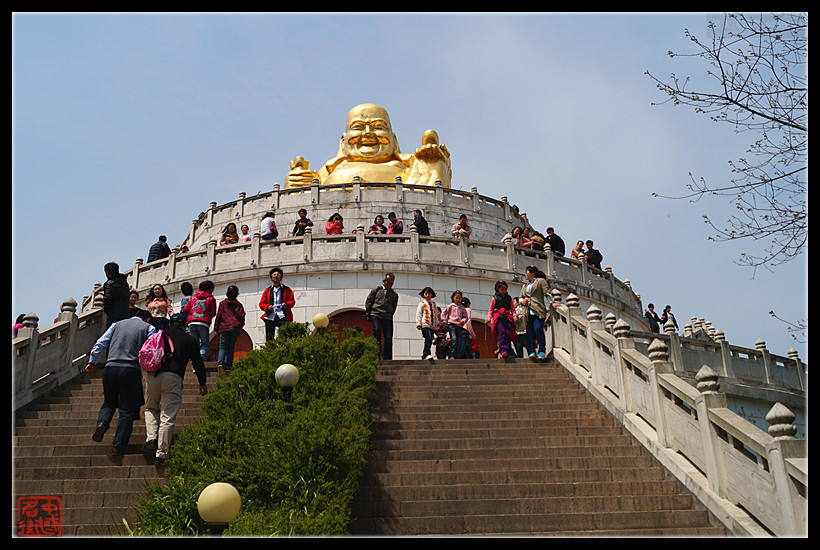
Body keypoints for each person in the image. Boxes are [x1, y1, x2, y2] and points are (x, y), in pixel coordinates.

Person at [85, 310, 156, 455]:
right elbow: (150, 350)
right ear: (147, 319)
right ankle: (118, 446)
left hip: (110, 368)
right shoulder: (149, 328)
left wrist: (92, 361)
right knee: (126, 410)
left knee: (109, 402)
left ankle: (102, 423)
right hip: (130, 369)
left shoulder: (117, 324)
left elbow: (101, 342)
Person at [142, 313, 208, 466]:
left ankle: (151, 438)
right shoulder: (189, 339)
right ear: (185, 325)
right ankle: (161, 454)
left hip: (153, 376)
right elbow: (197, 362)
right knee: (167, 416)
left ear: (170, 324)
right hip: (173, 378)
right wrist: (202, 382)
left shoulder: (160, 334)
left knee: (150, 408)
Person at [364, 273, 399, 360]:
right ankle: (377, 354)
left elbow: (394, 307)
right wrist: (369, 313)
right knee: (377, 331)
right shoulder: (376, 291)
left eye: (392, 283)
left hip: (387, 316)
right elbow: (369, 302)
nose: (390, 285)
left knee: (388, 337)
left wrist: (390, 313)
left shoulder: (394, 295)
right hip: (376, 314)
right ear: (384, 281)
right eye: (389, 282)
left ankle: (387, 357)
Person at [519, 266, 551, 359]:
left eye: (527, 272)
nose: (525, 275)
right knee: (530, 332)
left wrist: (552, 302)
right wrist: (522, 301)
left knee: (538, 329)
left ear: (532, 273)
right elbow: (520, 297)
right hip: (527, 312)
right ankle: (532, 351)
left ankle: (541, 350)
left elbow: (546, 292)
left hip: (538, 310)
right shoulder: (525, 286)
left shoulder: (540, 281)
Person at [213, 285, 246, 377]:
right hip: (234, 328)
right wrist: (240, 326)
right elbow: (241, 316)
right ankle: (228, 366)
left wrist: (216, 328)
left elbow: (219, 316)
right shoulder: (239, 305)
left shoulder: (223, 303)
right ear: (237, 294)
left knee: (223, 347)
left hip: (224, 327)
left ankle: (220, 363)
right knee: (231, 348)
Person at [259, 267, 295, 341]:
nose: (276, 276)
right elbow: (262, 303)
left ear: (281, 277)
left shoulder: (287, 290)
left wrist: (286, 305)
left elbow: (292, 301)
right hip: (270, 316)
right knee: (269, 338)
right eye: (274, 274)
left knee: (285, 336)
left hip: (282, 315)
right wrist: (267, 307)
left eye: (278, 274)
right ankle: (269, 351)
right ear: (271, 277)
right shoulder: (267, 291)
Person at [184, 280, 217, 359]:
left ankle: (194, 366)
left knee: (195, 345)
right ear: (210, 289)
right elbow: (213, 312)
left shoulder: (193, 297)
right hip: (203, 323)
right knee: (205, 344)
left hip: (192, 323)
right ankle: (200, 361)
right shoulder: (211, 299)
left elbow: (185, 309)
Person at [488, 280, 516, 359]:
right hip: (499, 317)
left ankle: (508, 351)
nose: (504, 291)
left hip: (506, 317)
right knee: (502, 332)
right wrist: (489, 318)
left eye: (505, 289)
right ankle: (503, 349)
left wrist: (514, 316)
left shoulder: (509, 298)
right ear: (498, 289)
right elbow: (490, 310)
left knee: (508, 333)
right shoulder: (495, 298)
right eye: (502, 289)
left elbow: (512, 309)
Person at [441, 290, 469, 359]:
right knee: (454, 339)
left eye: (460, 298)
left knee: (459, 341)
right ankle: (452, 355)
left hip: (459, 326)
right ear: (453, 298)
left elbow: (466, 317)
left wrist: (463, 321)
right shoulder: (450, 306)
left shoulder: (463, 308)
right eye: (456, 298)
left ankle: (457, 356)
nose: (458, 299)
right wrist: (444, 321)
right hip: (451, 325)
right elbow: (443, 313)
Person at [102, 262, 131, 328]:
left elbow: (107, 299)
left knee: (111, 334)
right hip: (125, 313)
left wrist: (106, 310)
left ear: (107, 272)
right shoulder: (124, 281)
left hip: (113, 314)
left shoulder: (109, 283)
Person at [415, 287, 439, 360]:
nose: (427, 295)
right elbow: (419, 314)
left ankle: (426, 354)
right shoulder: (422, 304)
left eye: (429, 293)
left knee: (430, 340)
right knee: (428, 339)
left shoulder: (434, 304)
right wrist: (418, 324)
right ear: (423, 294)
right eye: (426, 293)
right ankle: (426, 354)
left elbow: (435, 314)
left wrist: (437, 323)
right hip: (425, 324)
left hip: (432, 325)